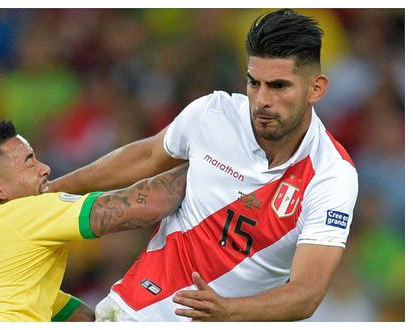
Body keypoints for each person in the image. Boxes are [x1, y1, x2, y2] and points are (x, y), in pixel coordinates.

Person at [49, 9, 358, 321]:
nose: (262, 100)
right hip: (133, 311)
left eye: (278, 86)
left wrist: (227, 311)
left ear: (316, 88)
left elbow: (307, 293)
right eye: (254, 83)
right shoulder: (213, 114)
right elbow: (146, 156)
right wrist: (51, 190)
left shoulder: (332, 175)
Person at [0, 119, 187, 322]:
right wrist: (211, 157)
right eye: (29, 162)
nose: (45, 168)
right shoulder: (21, 213)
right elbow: (152, 203)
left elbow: (82, 318)